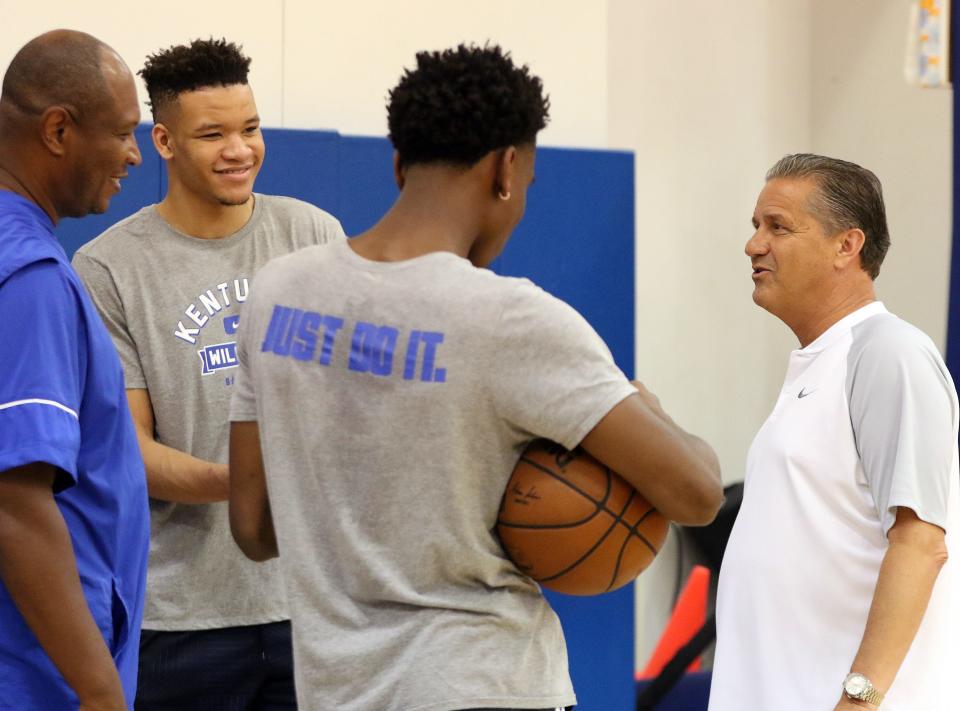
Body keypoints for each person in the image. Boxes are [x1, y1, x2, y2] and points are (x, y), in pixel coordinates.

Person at [228, 44, 723, 711]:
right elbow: (697, 495)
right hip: (485, 684)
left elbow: (254, 529)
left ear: (400, 162)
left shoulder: (278, 292)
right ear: (506, 170)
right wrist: (645, 405)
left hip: (335, 691)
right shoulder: (511, 318)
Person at [72, 38, 344, 710]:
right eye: (213, 134)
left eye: (250, 129)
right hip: (179, 619)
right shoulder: (108, 268)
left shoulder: (313, 236)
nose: (239, 150)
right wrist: (247, 481)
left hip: (310, 607)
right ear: (162, 141)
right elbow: (128, 452)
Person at [709, 154, 960, 711]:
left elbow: (921, 544)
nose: (754, 245)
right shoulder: (820, 364)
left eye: (777, 226)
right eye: (755, 226)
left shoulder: (887, 352)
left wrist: (859, 699)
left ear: (847, 246)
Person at [0, 29, 149, 710]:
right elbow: (16, 501)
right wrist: (99, 691)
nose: (133, 154)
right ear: (58, 129)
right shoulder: (31, 279)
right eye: (122, 132)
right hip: (36, 679)